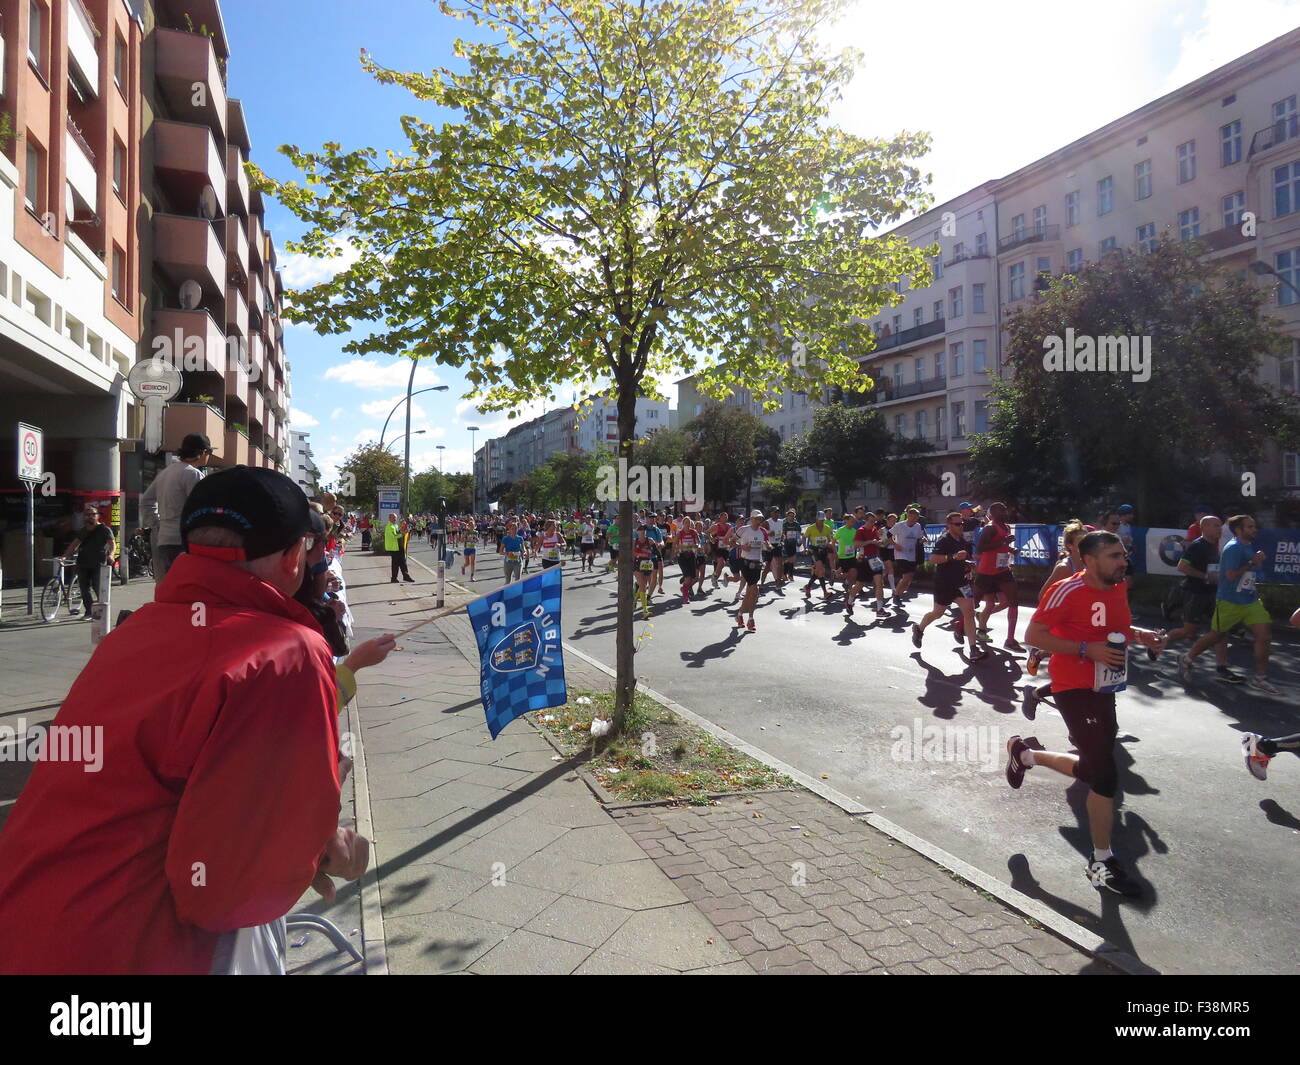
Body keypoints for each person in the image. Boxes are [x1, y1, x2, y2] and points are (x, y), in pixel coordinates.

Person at [0, 467, 371, 974]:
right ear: (292, 558)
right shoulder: (285, 652)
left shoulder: (136, 630)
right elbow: (225, 893)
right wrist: (319, 845)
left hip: (31, 925)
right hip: (135, 951)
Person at [1009, 530, 1167, 898]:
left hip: (1104, 687)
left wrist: (1141, 636)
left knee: (1094, 768)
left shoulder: (1118, 587)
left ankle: (1025, 754)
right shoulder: (1067, 589)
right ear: (1090, 559)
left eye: (1123, 555)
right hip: (1073, 687)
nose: (1122, 561)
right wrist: (1085, 649)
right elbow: (1036, 634)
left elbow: (1115, 628)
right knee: (1106, 777)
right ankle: (1101, 862)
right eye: (1114, 555)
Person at [1177, 514, 1279, 694]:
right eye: (1250, 527)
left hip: (1250, 601)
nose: (1254, 529)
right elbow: (1231, 575)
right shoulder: (1233, 548)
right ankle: (1187, 657)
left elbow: (1249, 572)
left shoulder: (1247, 546)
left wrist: (1256, 563)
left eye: (1254, 526)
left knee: (1264, 635)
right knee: (1216, 635)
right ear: (1239, 530)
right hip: (1229, 601)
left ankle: (1260, 678)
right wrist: (1251, 562)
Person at [1165, 516, 1238, 682]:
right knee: (1188, 631)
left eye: (1220, 525)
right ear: (1204, 528)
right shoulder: (1197, 545)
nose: (1220, 528)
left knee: (1221, 630)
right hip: (1195, 593)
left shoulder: (1216, 545)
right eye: (1216, 525)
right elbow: (1181, 567)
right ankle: (1160, 641)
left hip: (1213, 593)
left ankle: (1221, 667)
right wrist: (1204, 576)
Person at [139, 433, 214, 587]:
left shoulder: (165, 473)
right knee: (187, 589)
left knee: (170, 587)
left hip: (164, 540)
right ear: (201, 453)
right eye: (209, 453)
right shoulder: (193, 474)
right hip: (185, 542)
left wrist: (156, 524)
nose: (208, 457)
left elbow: (146, 501)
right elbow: (201, 508)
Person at [911, 512, 984, 660]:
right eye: (957, 524)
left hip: (961, 582)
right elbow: (933, 559)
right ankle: (919, 629)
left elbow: (960, 559)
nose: (961, 526)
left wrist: (967, 564)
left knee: (969, 612)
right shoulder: (944, 540)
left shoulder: (961, 540)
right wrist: (953, 557)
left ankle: (973, 649)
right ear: (949, 525)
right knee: (937, 613)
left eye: (962, 523)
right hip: (944, 583)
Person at [974, 501, 1022, 651]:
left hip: (1002, 570)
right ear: (994, 513)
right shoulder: (990, 528)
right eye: (1002, 510)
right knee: (973, 603)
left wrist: (1011, 549)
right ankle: (963, 627)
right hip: (986, 572)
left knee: (1011, 602)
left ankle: (1010, 639)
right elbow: (981, 547)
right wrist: (1003, 542)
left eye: (1005, 510)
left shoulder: (1006, 527)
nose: (1005, 512)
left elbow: (1001, 546)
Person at [62, 504, 117, 619]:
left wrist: (111, 555)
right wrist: (65, 556)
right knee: (84, 589)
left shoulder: (104, 529)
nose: (89, 517)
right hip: (83, 563)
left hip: (98, 563)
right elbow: (74, 544)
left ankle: (103, 612)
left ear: (97, 516)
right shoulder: (83, 531)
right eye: (87, 515)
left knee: (98, 588)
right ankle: (89, 611)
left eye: (92, 514)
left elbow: (112, 545)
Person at [731, 510, 769, 632]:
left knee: (752, 593)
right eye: (757, 519)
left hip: (757, 563)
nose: (759, 521)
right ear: (751, 519)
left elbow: (767, 544)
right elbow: (731, 542)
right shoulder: (743, 529)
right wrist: (743, 547)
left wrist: (770, 547)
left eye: (760, 519)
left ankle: (740, 614)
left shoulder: (763, 531)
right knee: (754, 589)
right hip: (745, 562)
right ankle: (751, 619)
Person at [891, 508, 925, 600]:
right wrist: (895, 544)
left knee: (909, 578)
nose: (914, 519)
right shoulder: (899, 525)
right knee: (906, 576)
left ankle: (898, 593)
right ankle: (896, 595)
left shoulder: (917, 526)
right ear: (908, 516)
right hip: (900, 554)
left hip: (912, 554)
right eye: (912, 517)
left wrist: (923, 540)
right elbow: (888, 535)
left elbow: (919, 539)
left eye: (916, 517)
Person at [386, 512, 415, 583]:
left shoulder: (395, 525)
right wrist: (403, 533)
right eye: (393, 518)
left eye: (395, 518)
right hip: (394, 548)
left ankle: (406, 576)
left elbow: (398, 532)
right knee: (395, 564)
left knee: (403, 562)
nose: (395, 519)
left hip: (399, 546)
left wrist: (403, 530)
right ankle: (394, 578)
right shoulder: (390, 527)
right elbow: (395, 536)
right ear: (389, 518)